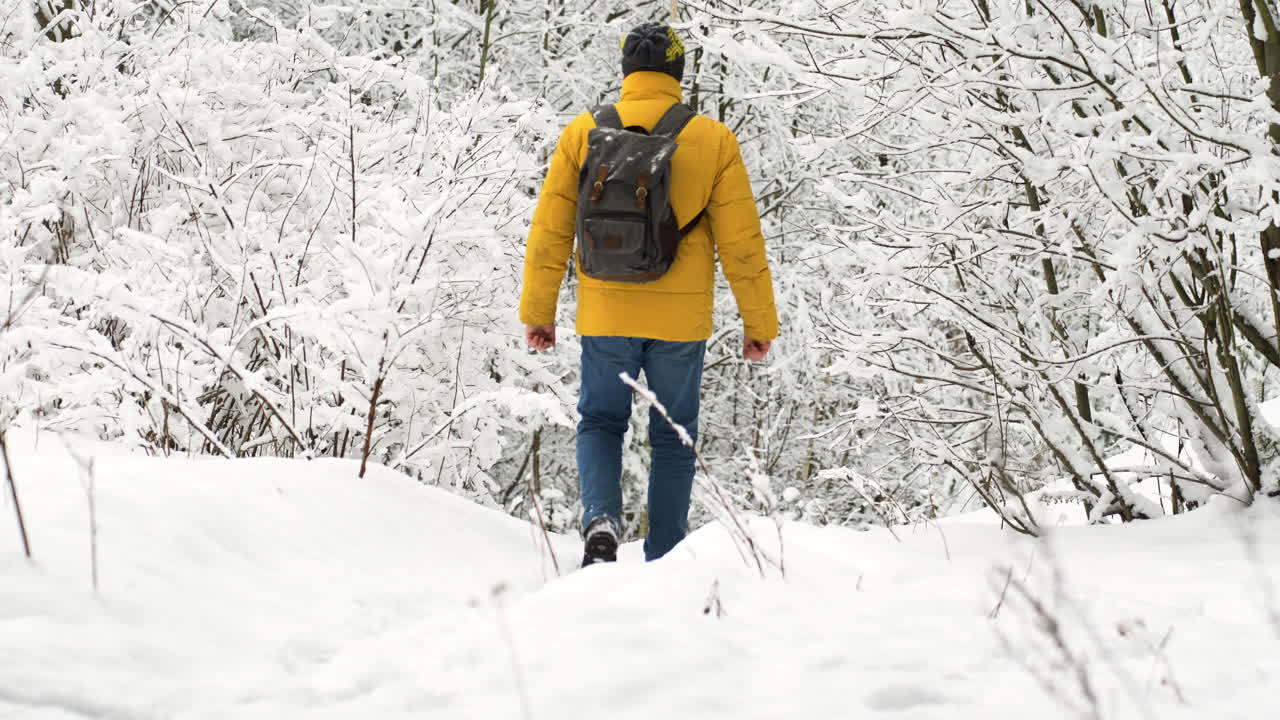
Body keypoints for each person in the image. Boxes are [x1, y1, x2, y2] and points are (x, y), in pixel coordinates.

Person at [519, 22, 779, 565]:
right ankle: (666, 557)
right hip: (680, 323)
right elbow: (742, 246)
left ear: (626, 73)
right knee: (673, 435)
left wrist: (539, 312)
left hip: (605, 309)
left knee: (600, 421)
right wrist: (759, 325)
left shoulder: (583, 133)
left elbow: (550, 231)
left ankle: (601, 521)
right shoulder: (713, 140)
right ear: (678, 74)